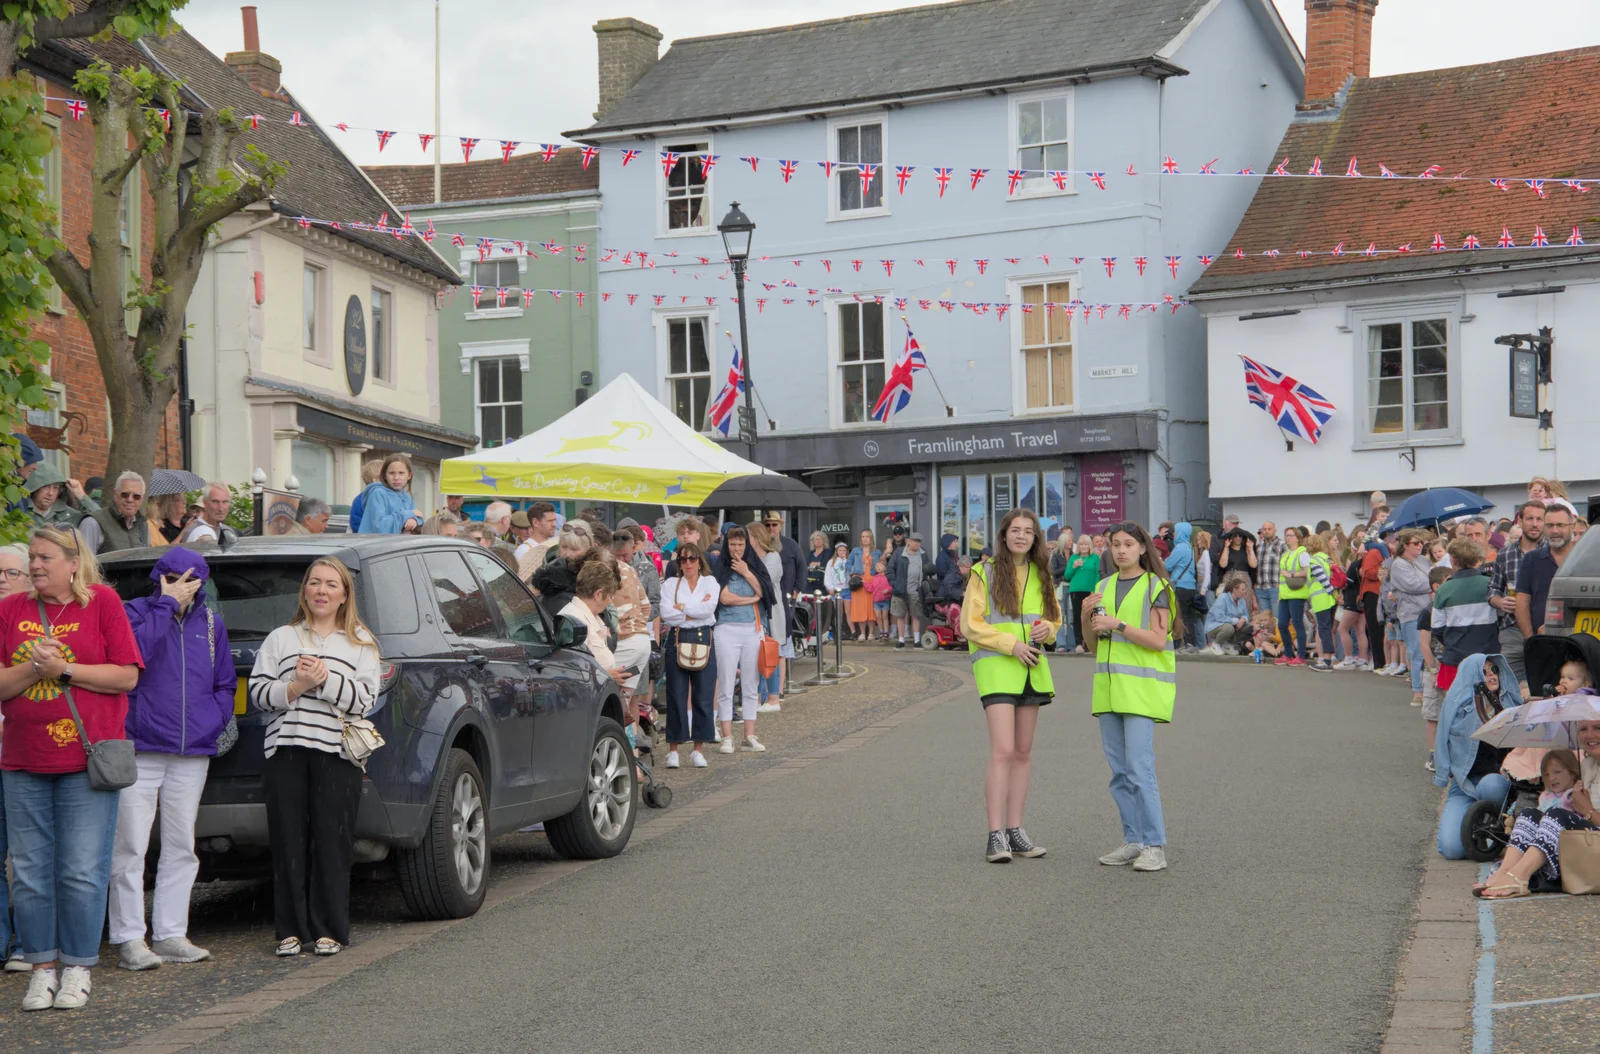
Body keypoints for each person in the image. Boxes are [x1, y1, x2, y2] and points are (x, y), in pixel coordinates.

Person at [0, 525, 142, 1010]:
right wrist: (33, 670)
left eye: (43, 558)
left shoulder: (101, 603)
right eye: (31, 559)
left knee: (80, 871)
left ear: (72, 562)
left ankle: (78, 966)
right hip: (22, 761)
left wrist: (64, 671)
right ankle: (41, 969)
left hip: (86, 762)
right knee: (32, 872)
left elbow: (125, 676)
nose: (34, 567)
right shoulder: (9, 610)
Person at [247, 557, 380, 958]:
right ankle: (289, 930)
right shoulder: (280, 638)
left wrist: (323, 681)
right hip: (285, 750)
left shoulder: (360, 642)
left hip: (338, 754)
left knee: (332, 842)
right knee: (288, 839)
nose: (321, 591)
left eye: (331, 585)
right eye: (315, 583)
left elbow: (365, 701)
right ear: (304, 590)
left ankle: (330, 929)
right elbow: (258, 695)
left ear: (344, 596)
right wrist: (295, 686)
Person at [110, 548, 235, 970]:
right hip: (141, 747)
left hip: (191, 751)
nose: (183, 585)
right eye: (173, 577)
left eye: (191, 579)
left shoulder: (213, 625)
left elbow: (225, 682)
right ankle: (129, 938)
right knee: (129, 846)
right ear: (158, 578)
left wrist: (213, 720)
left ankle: (170, 933)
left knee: (182, 846)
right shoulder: (133, 613)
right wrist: (166, 606)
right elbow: (134, 657)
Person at [963, 508, 1060, 863]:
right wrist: (1011, 644)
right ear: (1003, 535)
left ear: (1035, 538)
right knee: (1003, 751)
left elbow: (1055, 618)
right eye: (1015, 530)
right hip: (998, 669)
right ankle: (995, 835)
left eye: (1028, 531)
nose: (1021, 536)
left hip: (1032, 667)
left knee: (1022, 752)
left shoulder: (1041, 573)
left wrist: (1047, 630)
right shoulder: (983, 572)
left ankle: (1015, 831)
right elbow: (970, 624)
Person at [1082, 521, 1178, 873]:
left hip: (1140, 691)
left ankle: (1155, 845)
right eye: (1115, 545)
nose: (1121, 550)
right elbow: (1093, 645)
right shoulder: (1103, 586)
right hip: (1108, 691)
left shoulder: (1157, 585)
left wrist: (1117, 625)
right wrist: (1085, 616)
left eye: (1128, 544)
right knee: (1120, 772)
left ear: (1142, 548)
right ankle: (1133, 840)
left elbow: (1157, 639)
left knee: (1139, 768)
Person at [1432, 653, 1518, 860]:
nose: (1491, 675)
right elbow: (1441, 741)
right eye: (1484, 672)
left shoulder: (1511, 704)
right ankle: (1474, 818)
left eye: (1494, 670)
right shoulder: (1458, 707)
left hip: (1499, 782)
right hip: (1464, 783)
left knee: (1490, 785)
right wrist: (1443, 775)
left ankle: (1494, 823)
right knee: (1451, 850)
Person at [711, 526, 772, 754]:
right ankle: (727, 736)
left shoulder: (754, 566)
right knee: (726, 682)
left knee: (750, 683)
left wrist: (746, 572)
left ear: (747, 546)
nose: (736, 549)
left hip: (752, 628)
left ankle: (749, 735)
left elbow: (765, 593)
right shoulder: (721, 567)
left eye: (740, 544)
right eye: (732, 544)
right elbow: (723, 598)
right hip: (726, 628)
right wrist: (751, 599)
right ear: (727, 545)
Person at [659, 544, 718, 769]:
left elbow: (709, 609)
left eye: (692, 558)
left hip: (704, 639)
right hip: (677, 638)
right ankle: (674, 749)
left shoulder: (709, 582)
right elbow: (667, 615)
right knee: (676, 695)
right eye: (683, 560)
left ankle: (698, 749)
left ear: (699, 560)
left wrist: (682, 607)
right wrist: (695, 609)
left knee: (703, 695)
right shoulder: (671, 584)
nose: (688, 563)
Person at [558, 560, 628, 689]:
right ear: (598, 594)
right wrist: (606, 676)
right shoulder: (572, 620)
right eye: (611, 596)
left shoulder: (594, 616)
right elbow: (571, 671)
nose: (610, 602)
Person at [1516, 501, 1572, 646]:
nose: (1554, 531)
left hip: (1580, 640)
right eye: (1549, 525)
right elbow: (1522, 602)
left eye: (1560, 525)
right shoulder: (1531, 559)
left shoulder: (1584, 557)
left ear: (1571, 527)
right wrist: (1530, 639)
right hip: (1542, 642)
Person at [607, 535, 652, 714]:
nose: (625, 559)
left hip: (625, 643)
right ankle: (629, 741)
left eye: (627, 555)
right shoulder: (630, 569)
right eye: (621, 555)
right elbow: (646, 606)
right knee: (624, 703)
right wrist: (638, 624)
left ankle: (624, 739)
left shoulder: (607, 570)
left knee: (615, 703)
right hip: (641, 642)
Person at [1389, 530, 1434, 706]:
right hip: (1412, 613)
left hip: (1430, 610)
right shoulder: (1399, 564)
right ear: (1405, 545)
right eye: (1416, 543)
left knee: (1431, 651)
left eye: (1421, 542)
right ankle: (1418, 691)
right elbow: (1413, 585)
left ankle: (1431, 688)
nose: (1420, 545)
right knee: (1417, 652)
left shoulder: (1424, 560)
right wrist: (1434, 583)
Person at [746, 522, 787, 711]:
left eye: (748, 537)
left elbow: (764, 583)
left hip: (771, 613)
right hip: (756, 613)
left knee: (770, 653)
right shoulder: (750, 559)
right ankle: (757, 698)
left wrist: (746, 573)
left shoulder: (773, 557)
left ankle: (773, 698)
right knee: (756, 655)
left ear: (756, 537)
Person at [80, 471, 149, 554]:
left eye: (136, 496)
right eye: (125, 494)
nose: (130, 500)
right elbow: (84, 564)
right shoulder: (93, 523)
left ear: (142, 499)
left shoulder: (143, 525)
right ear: (115, 494)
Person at [888, 533, 935, 649]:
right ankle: (901, 640)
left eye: (919, 541)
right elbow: (889, 570)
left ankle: (917, 641)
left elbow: (928, 569)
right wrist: (895, 584)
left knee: (916, 615)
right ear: (908, 541)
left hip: (916, 590)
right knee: (900, 615)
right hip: (900, 589)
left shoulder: (923, 553)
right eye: (915, 541)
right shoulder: (899, 552)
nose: (917, 543)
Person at [355, 456, 424, 535]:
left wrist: (414, 520)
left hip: (400, 545)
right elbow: (380, 527)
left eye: (401, 473)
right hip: (377, 545)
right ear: (384, 475)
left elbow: (418, 517)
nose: (396, 478)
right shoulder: (378, 493)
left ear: (409, 475)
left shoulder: (407, 497)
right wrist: (409, 514)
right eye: (391, 473)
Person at [1273, 526, 1311, 667]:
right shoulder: (1286, 554)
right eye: (1286, 535)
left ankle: (1301, 656)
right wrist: (1279, 595)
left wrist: (1291, 575)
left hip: (1297, 593)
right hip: (1285, 595)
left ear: (1297, 538)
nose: (1288, 538)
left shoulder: (1302, 553)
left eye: (1291, 535)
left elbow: (1307, 571)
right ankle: (1288, 654)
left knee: (1297, 623)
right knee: (1282, 624)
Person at [1304, 532, 1337, 672]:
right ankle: (1328, 658)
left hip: (1321, 599)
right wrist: (1335, 594)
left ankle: (1327, 660)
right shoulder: (1326, 558)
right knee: (1327, 629)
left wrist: (1331, 591)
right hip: (1329, 600)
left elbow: (1322, 579)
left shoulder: (1313, 561)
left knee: (1324, 630)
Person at [23, 465, 96, 529]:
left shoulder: (67, 514)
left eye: (56, 488)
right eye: (45, 487)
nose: (50, 493)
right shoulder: (20, 508)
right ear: (35, 488)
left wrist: (81, 496)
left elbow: (100, 521)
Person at [1161, 525, 1196, 651]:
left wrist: (1160, 561)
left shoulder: (1180, 547)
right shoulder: (1189, 546)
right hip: (1190, 585)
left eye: (1176, 531)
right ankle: (1189, 643)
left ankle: (1185, 643)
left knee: (1180, 616)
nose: (1174, 534)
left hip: (1181, 585)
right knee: (1187, 615)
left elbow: (1168, 565)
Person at [1065, 535, 1102, 654]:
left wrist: (1094, 589)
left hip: (1090, 590)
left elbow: (1097, 574)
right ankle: (1078, 643)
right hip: (1076, 589)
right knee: (1077, 617)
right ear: (1078, 546)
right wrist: (1074, 566)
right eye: (1081, 544)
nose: (1084, 547)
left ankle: (1090, 643)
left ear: (1090, 546)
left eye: (1086, 544)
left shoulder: (1095, 558)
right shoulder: (1074, 557)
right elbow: (1067, 576)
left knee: (1091, 616)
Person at [1205, 573, 1252, 655]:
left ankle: (1228, 645)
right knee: (1229, 628)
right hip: (1214, 626)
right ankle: (1215, 644)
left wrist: (1243, 619)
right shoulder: (1223, 598)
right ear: (1235, 590)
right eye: (1242, 589)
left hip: (1231, 625)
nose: (1245, 592)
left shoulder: (1242, 601)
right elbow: (1219, 617)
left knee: (1248, 627)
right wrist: (1236, 621)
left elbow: (1246, 615)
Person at [848, 529, 880, 639]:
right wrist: (855, 570)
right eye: (863, 536)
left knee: (871, 607)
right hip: (859, 582)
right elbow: (847, 565)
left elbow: (880, 566)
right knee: (860, 607)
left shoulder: (877, 552)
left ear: (871, 538)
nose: (865, 538)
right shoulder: (855, 551)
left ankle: (871, 633)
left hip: (871, 582)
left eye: (867, 536)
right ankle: (862, 633)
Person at [1254, 521, 1286, 620]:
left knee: (1277, 618)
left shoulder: (1282, 546)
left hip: (1275, 588)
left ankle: (1278, 636)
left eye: (1269, 529)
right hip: (1261, 589)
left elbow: (1286, 567)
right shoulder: (1258, 547)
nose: (1267, 531)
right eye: (1264, 529)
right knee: (1264, 620)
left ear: (1275, 531)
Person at [345, 459, 384, 533]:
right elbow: (357, 524)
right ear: (376, 479)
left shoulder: (359, 499)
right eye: (386, 475)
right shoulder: (362, 500)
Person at [866, 557, 892, 641]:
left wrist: (887, 590)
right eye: (876, 566)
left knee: (885, 616)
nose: (878, 567)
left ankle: (886, 631)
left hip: (885, 599)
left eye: (880, 565)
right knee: (878, 616)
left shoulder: (887, 577)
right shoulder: (874, 578)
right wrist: (864, 583)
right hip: (876, 601)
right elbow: (870, 588)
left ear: (885, 567)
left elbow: (891, 586)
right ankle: (881, 631)